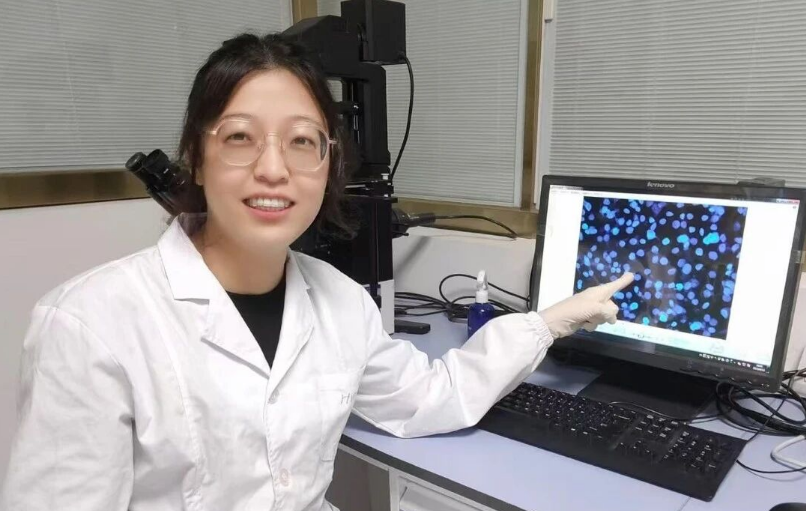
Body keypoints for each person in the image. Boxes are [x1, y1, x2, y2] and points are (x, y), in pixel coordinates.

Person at [0, 33, 633, 511]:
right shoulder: (90, 325)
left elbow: (428, 399)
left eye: (302, 141)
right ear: (196, 156)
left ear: (329, 165)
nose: (274, 169)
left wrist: (548, 323)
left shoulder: (340, 302)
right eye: (241, 137)